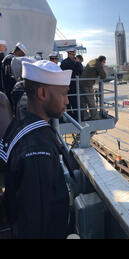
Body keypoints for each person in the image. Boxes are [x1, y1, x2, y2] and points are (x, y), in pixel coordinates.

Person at [1, 60, 72, 238]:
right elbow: (35, 223)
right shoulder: (38, 148)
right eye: (63, 94)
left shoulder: (20, 123)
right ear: (42, 93)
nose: (67, 101)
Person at [79, 56, 107, 120]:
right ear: (102, 61)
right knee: (91, 101)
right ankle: (95, 117)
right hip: (87, 84)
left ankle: (84, 116)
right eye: (104, 62)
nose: (104, 63)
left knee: (83, 101)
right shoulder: (98, 65)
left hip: (81, 83)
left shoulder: (92, 61)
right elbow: (104, 76)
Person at [60, 49, 82, 119]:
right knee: (68, 102)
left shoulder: (76, 62)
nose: (73, 56)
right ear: (68, 54)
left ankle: (76, 116)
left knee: (75, 102)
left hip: (74, 85)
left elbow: (81, 71)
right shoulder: (64, 62)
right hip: (68, 85)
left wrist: (78, 63)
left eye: (74, 54)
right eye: (72, 54)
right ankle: (70, 116)